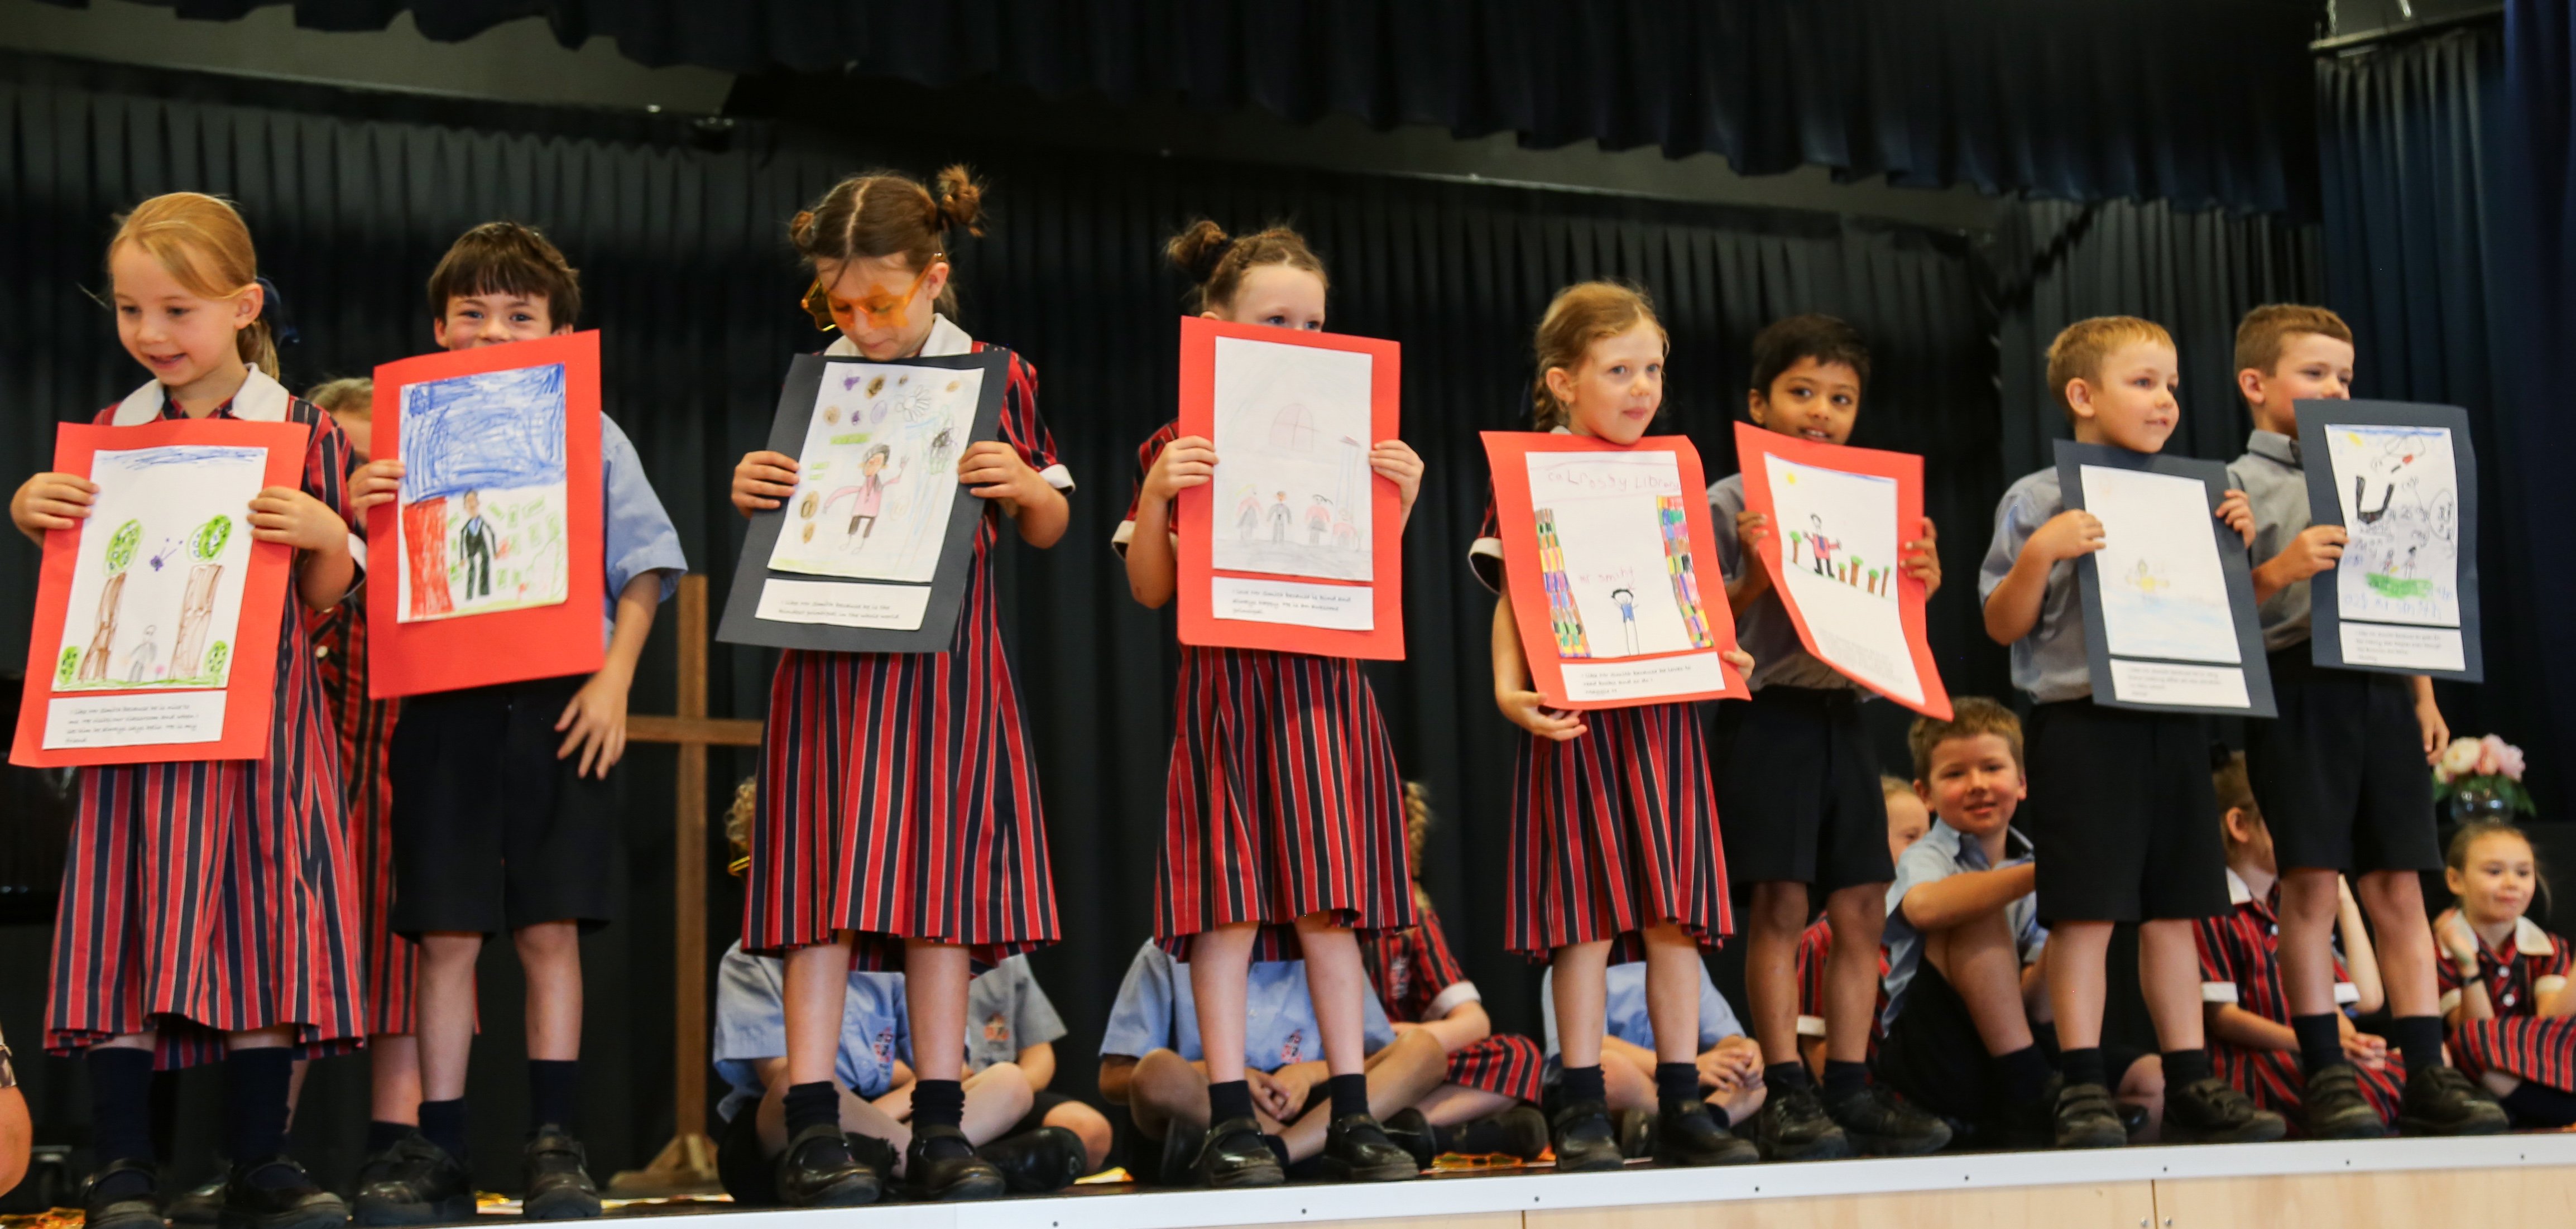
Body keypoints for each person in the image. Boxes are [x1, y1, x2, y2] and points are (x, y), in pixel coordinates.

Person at [12, 191, 364, 1229]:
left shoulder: (300, 428)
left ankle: (261, 1157)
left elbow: (328, 598)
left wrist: (326, 534)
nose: (151, 332)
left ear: (243, 305)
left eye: (177, 310)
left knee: (265, 921)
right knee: (121, 925)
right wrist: (34, 511)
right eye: (131, 310)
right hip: (137, 729)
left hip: (265, 732)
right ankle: (124, 1163)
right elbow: (90, 578)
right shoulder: (110, 436)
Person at [730, 166, 1072, 1206]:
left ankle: (940, 1125)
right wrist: (755, 487)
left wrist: (1024, 485)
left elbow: (1051, 521)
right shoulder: (820, 378)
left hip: (945, 671)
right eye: (838, 305)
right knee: (817, 888)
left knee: (940, 893)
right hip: (826, 667)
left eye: (880, 301)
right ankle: (814, 1124)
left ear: (932, 277)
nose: (861, 324)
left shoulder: (993, 376)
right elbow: (793, 516)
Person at [348, 221, 688, 1221]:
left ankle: (552, 1140)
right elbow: (362, 578)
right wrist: (363, 503)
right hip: (441, 703)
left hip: (561, 702)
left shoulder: (592, 430)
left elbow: (646, 564)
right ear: (438, 328)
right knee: (444, 934)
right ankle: (441, 1143)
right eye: (472, 312)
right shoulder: (402, 435)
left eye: (519, 314)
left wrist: (614, 682)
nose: (493, 331)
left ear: (560, 332)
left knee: (549, 929)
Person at [1114, 220, 1426, 1188]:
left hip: (1324, 695)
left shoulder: (1355, 438)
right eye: (1275, 319)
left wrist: (1400, 502)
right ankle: (1227, 1119)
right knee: (1228, 908)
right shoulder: (1179, 442)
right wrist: (1158, 496)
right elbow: (1151, 589)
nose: (1299, 338)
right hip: (1228, 698)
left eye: (1314, 323)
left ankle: (1352, 1110)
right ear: (1214, 325)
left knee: (1331, 907)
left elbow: (1364, 579)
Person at [1977, 315, 2286, 1149]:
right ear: (2082, 395)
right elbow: (2000, 623)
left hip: (2175, 718)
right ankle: (2081, 1081)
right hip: (2082, 726)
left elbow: (2223, 618)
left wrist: (2232, 547)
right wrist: (2041, 552)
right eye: (2143, 383)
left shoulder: (2199, 494)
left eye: (2171, 385)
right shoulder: (2038, 498)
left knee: (2174, 912)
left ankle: (2189, 1078)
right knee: (2083, 915)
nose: (2165, 401)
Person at [1471, 281, 1759, 1170]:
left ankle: (1681, 1100)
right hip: (1577, 720)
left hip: (1663, 723)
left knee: (1674, 916)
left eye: (1653, 370)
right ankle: (1581, 1098)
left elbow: (1684, 588)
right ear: (1562, 382)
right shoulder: (1533, 470)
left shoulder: (1666, 472)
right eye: (1618, 370)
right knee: (1584, 919)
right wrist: (1507, 688)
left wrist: (1719, 647)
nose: (1642, 389)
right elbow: (1515, 593)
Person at [2224, 304, 2506, 1137]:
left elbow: (2407, 583)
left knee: (2397, 885)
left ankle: (2425, 1070)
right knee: (2310, 882)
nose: (2334, 389)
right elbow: (2213, 616)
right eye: (2313, 373)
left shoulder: (2378, 463)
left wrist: (2422, 695)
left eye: (2343, 376)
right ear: (2254, 383)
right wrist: (2278, 568)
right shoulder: (2232, 485)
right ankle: (2326, 1072)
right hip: (2297, 687)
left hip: (2381, 683)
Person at [1709, 314, 1949, 1159]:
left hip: (1843, 713)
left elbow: (1884, 620)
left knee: (1860, 905)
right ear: (1758, 403)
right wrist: (1750, 579)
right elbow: (1698, 623)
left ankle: (1848, 1082)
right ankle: (1785, 1088)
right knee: (1781, 906)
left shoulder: (1870, 500)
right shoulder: (1730, 499)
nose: (1820, 412)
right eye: (1801, 392)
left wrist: (1918, 587)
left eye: (1840, 399)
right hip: (1765, 713)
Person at [1875, 699, 2162, 1147]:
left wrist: (2066, 924)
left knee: (2150, 1080)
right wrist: (2043, 874)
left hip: (2015, 1044)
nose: (1977, 785)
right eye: (1955, 774)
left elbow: (2036, 1006)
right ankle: (2030, 1087)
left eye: (1992, 768)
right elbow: (1923, 908)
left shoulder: (2029, 861)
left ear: (2022, 782)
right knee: (1976, 906)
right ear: (1925, 795)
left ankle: (2064, 1149)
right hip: (1935, 1052)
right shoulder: (1925, 855)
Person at [708, 943, 1087, 1202]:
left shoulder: (889, 956)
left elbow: (948, 1068)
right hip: (798, 1123)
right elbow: (776, 1072)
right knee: (797, 1082)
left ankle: (884, 1165)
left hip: (889, 1112)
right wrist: (880, 1115)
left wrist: (889, 1112)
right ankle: (967, 1166)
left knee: (1010, 1082)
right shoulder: (748, 958)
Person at [1097, 941, 1449, 1182]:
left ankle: (1281, 1152)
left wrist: (1311, 1073)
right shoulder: (1164, 952)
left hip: (1314, 1109)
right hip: (1207, 1113)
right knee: (1157, 1070)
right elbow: (1114, 1078)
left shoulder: (1327, 944)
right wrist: (1222, 1074)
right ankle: (1311, 1154)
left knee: (1424, 1048)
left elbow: (1372, 1054)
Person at [2197, 752, 2406, 1131]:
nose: (2306, 835)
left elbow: (2362, 1000)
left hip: (2310, 1052)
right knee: (2361, 1093)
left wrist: (2354, 1045)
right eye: (2290, 821)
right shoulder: (2213, 907)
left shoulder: (2292, 906)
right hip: (2255, 1060)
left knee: (2407, 1071)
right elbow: (2224, 1018)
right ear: (2240, 825)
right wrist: (2317, 1045)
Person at [1360, 784, 1551, 1163]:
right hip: (1337, 1070)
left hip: (1403, 1064)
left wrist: (1408, 1040)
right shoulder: (1314, 923)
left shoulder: (1412, 920)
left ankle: (1400, 1129)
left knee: (1520, 1057)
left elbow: (1473, 1022)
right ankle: (1452, 1136)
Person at [1537, 961, 1765, 1162]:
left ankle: (1702, 1124)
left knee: (1755, 1072)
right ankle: (1679, 1125)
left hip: (1680, 1088)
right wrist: (1689, 1069)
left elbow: (1725, 1035)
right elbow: (1592, 1046)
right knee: (1608, 1069)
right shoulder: (1576, 962)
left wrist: (1743, 1050)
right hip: (1630, 1088)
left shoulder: (1684, 959)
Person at [2435, 821, 2576, 1127]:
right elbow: (2474, 1034)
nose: (2512, 883)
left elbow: (2552, 1021)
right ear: (2456, 880)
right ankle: (2554, 1111)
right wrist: (2468, 966)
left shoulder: (2549, 947)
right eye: (2495, 872)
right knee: (2471, 1038)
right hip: (2482, 1078)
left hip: (2540, 1064)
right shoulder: (2439, 948)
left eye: (2523, 873)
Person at [1793, 777, 1925, 1078]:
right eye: (1911, 837)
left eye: (1929, 837)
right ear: (1869, 843)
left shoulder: (1933, 923)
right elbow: (1816, 1041)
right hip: (1871, 1094)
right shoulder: (1822, 939)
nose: (1926, 849)